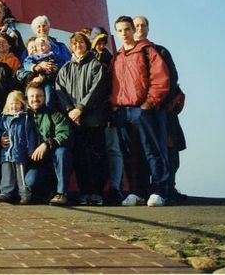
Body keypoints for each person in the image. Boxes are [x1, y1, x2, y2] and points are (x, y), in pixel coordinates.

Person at [110, 15, 170, 207]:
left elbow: (161, 78)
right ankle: (137, 191)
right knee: (131, 153)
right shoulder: (117, 56)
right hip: (123, 110)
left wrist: (149, 103)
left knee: (152, 150)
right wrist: (113, 103)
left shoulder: (147, 51)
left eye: (127, 29)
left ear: (133, 30)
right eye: (119, 30)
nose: (124, 34)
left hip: (143, 109)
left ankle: (159, 190)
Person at [133, 15, 187, 203]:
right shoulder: (125, 54)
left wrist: (160, 102)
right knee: (142, 151)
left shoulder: (160, 51)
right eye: (135, 25)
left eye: (142, 25)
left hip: (160, 109)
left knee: (168, 150)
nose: (139, 28)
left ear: (148, 28)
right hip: (138, 112)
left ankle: (167, 189)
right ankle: (145, 190)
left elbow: (171, 78)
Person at [55, 32, 110, 206]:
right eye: (75, 43)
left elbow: (97, 88)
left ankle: (97, 193)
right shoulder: (65, 68)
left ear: (87, 44)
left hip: (93, 120)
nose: (78, 45)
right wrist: (70, 110)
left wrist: (80, 109)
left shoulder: (95, 65)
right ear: (71, 46)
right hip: (74, 120)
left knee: (97, 157)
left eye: (81, 42)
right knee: (80, 158)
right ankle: (84, 192)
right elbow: (60, 90)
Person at [89, 26, 123, 205]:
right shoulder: (88, 60)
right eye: (97, 41)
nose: (101, 45)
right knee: (97, 152)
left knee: (113, 150)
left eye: (103, 41)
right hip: (92, 114)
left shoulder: (112, 60)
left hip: (108, 110)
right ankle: (98, 190)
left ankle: (115, 187)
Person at [23, 83, 73, 206]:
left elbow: (65, 133)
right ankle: (45, 193)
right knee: (31, 182)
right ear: (27, 99)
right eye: (32, 96)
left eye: (39, 96)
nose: (35, 99)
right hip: (35, 162)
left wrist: (47, 144)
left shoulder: (54, 114)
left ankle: (61, 193)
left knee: (62, 152)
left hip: (54, 158)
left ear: (45, 97)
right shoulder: (22, 116)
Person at [0, 91, 36, 204]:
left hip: (20, 151)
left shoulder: (25, 119)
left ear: (21, 104)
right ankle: (5, 193)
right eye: (11, 103)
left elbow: (31, 136)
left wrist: (31, 149)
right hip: (6, 152)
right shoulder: (4, 118)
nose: (14, 106)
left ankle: (25, 194)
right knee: (6, 174)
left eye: (16, 103)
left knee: (21, 175)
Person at [17, 36, 59, 109]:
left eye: (41, 46)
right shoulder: (27, 62)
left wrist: (53, 69)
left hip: (47, 81)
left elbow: (56, 69)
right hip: (32, 85)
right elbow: (22, 74)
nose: (36, 49)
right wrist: (35, 67)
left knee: (49, 96)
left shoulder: (52, 56)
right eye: (32, 47)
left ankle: (49, 109)